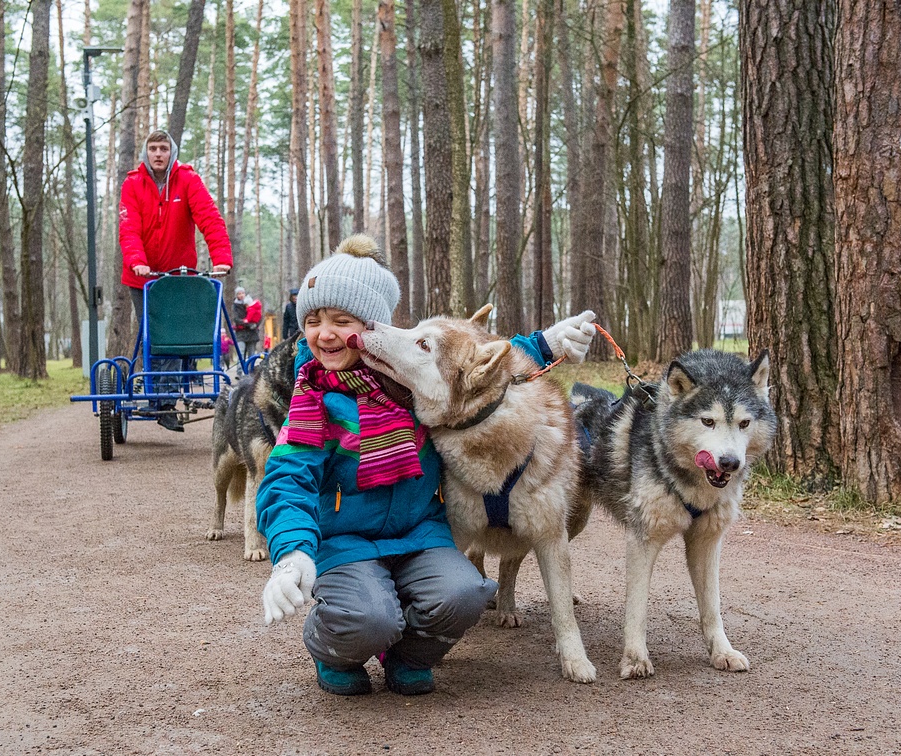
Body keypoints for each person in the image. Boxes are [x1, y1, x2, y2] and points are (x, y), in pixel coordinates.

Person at [255, 234, 596, 697]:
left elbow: (468, 366)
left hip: (418, 535)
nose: (325, 333)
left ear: (370, 325)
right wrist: (292, 552)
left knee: (467, 593)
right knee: (370, 617)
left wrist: (546, 343)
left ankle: (409, 655)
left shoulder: (407, 378)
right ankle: (332, 649)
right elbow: (287, 477)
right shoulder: (314, 395)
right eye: (313, 321)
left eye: (341, 320)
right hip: (348, 542)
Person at [119, 128, 232, 432]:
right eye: (153, 148)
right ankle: (162, 399)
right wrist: (138, 262)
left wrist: (221, 256)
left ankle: (169, 395)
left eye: (164, 149)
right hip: (144, 278)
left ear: (172, 152)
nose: (158, 154)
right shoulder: (133, 184)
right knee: (154, 335)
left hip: (180, 276)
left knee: (177, 334)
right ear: (146, 152)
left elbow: (209, 217)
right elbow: (129, 228)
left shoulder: (188, 180)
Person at [232, 287, 262, 359]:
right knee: (241, 353)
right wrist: (248, 324)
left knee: (251, 355)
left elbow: (258, 317)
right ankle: (240, 370)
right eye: (239, 294)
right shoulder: (235, 306)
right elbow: (236, 319)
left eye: (242, 293)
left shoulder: (251, 304)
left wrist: (255, 325)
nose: (241, 295)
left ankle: (250, 369)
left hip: (252, 333)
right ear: (236, 295)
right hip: (241, 333)